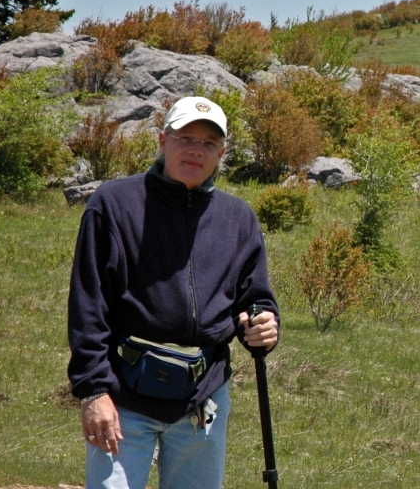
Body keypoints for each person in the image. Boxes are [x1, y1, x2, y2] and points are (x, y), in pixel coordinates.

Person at [67, 96, 279, 489]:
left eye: (209, 143)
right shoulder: (113, 205)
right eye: (186, 137)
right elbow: (88, 306)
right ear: (163, 140)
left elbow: (255, 298)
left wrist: (265, 323)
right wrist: (94, 391)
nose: (196, 149)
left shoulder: (238, 219)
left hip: (203, 399)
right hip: (122, 395)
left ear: (222, 153)